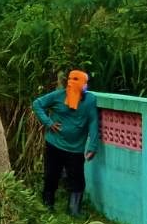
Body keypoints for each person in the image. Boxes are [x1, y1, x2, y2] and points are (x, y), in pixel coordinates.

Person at [32, 69, 99, 215]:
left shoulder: (90, 100)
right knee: (51, 175)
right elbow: (37, 104)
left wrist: (93, 145)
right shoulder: (58, 96)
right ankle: (47, 205)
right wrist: (48, 122)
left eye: (84, 83)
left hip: (76, 149)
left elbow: (93, 122)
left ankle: (74, 210)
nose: (84, 86)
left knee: (77, 179)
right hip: (54, 144)